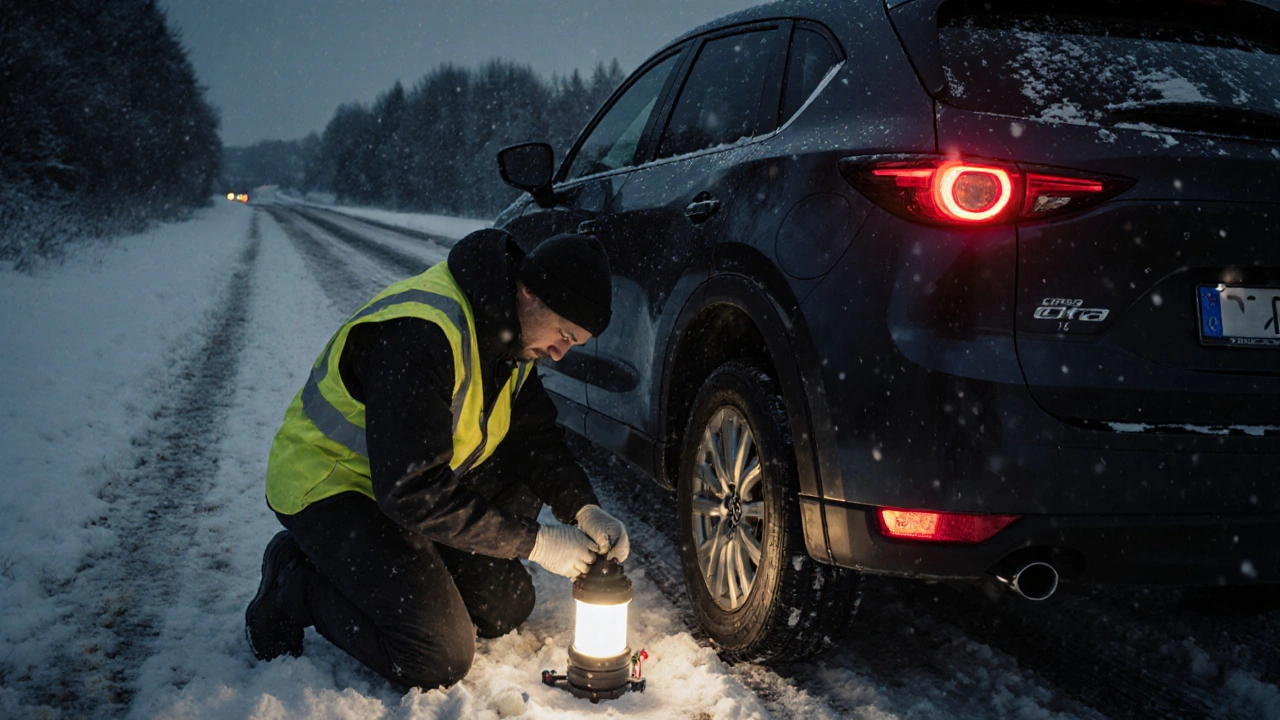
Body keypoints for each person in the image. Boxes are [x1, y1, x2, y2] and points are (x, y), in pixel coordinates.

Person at [244, 229, 630, 690]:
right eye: (564, 334)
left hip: (402, 493)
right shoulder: (423, 334)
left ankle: (410, 571)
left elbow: (535, 439)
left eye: (574, 343)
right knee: (437, 655)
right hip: (331, 488)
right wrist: (537, 542)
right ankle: (296, 581)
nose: (559, 353)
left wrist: (583, 507)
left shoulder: (515, 336)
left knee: (503, 606)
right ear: (529, 291)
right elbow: (411, 489)